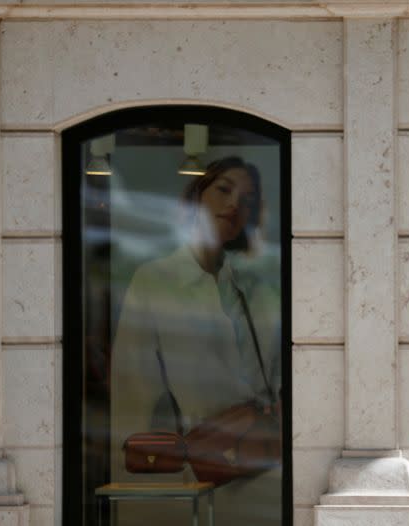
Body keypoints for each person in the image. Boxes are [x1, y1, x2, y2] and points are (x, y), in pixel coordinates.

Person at [109, 156, 282, 526]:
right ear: (196, 199)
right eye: (223, 190)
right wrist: (155, 475)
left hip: (263, 470)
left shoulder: (256, 290)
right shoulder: (155, 280)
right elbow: (134, 387)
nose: (234, 204)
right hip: (191, 473)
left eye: (247, 200)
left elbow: (278, 376)